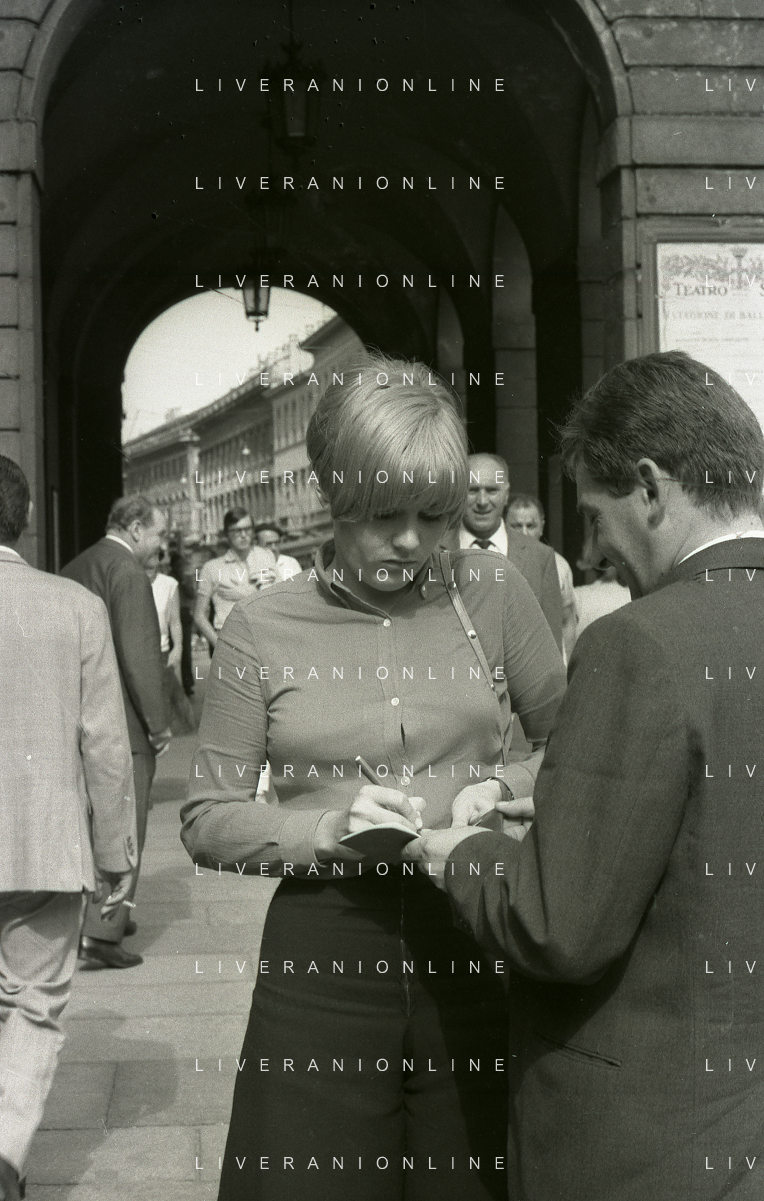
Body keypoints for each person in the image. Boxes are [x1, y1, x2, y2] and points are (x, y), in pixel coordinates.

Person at [181, 359, 566, 1201]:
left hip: (475, 933)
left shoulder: (494, 592)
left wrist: (504, 789)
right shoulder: (262, 626)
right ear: (334, 494)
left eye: (435, 516)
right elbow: (207, 816)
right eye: (386, 516)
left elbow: (572, 747)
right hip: (324, 954)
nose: (414, 541)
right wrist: (322, 831)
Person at [406, 350, 764, 1200]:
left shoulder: (638, 642)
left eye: (597, 516)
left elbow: (559, 923)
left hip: (651, 1137)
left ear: (649, 486)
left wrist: (463, 855)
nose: (596, 549)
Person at [0, 455, 137, 1200]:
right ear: (25, 518)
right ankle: (4, 1153)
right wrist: (116, 852)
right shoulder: (74, 606)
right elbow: (105, 742)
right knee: (33, 1000)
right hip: (43, 845)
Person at [61, 494, 171, 968]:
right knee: (125, 826)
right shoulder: (128, 572)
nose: (162, 546)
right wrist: (159, 725)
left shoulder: (76, 566)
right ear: (135, 528)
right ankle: (102, 935)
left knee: (90, 826)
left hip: (77, 717)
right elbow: (140, 655)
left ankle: (92, 920)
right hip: (123, 724)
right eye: (160, 534)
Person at [455, 454, 563, 649]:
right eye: (472, 490)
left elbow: (551, 644)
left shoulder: (540, 556)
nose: (482, 501)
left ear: (506, 494)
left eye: (491, 490)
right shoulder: (435, 551)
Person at [506, 493, 577, 663]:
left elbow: (566, 621)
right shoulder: (495, 560)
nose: (524, 533)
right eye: (516, 526)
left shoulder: (559, 565)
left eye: (530, 526)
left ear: (542, 527)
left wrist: (567, 668)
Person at [193, 508, 277, 650]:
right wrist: (220, 645)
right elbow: (199, 615)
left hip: (266, 639)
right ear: (227, 533)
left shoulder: (266, 557)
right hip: (231, 640)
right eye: (237, 531)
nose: (243, 535)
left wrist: (245, 595)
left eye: (247, 529)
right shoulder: (211, 568)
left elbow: (280, 599)